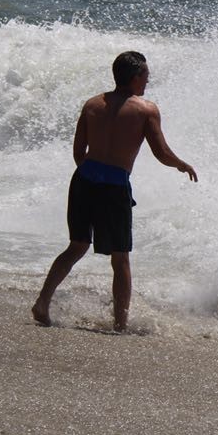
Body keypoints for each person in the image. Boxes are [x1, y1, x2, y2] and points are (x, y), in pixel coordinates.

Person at [31, 51, 197, 332]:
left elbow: (78, 152)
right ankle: (120, 324)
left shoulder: (92, 104)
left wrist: (94, 174)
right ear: (135, 78)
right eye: (145, 76)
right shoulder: (146, 109)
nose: (147, 81)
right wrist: (181, 164)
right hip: (115, 186)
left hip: (83, 180)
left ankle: (42, 302)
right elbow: (161, 152)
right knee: (120, 257)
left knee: (77, 246)